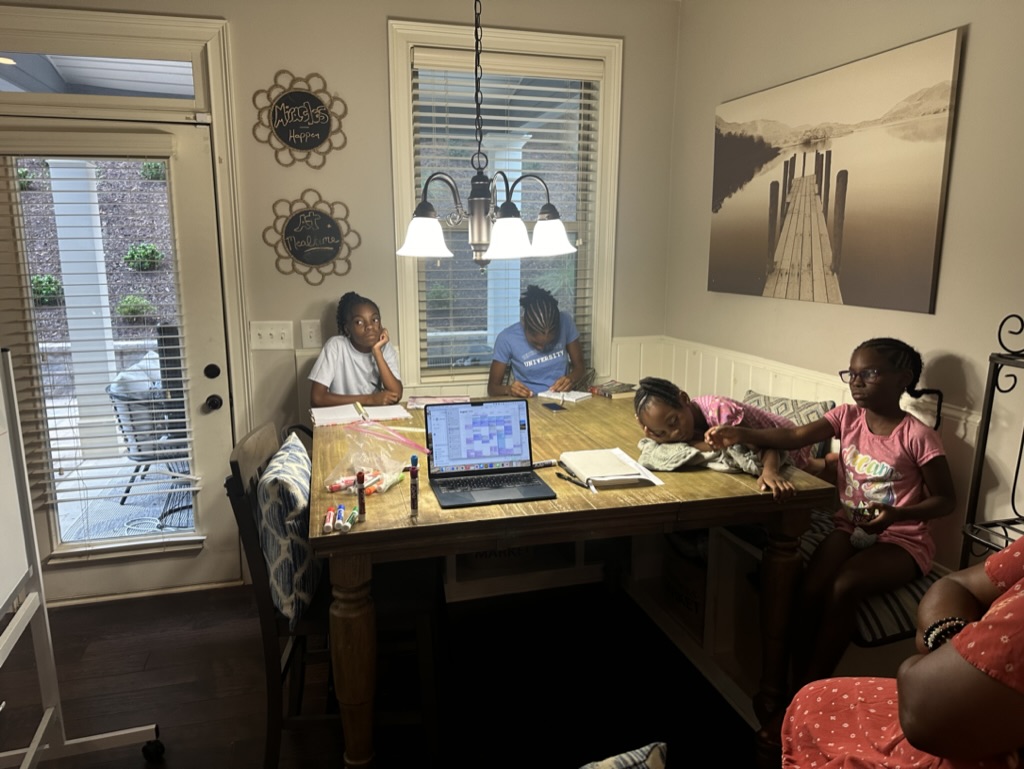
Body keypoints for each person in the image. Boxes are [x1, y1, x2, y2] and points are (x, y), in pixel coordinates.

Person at [706, 337, 957, 685]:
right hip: (849, 527)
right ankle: (792, 681)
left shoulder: (917, 435)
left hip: (902, 540)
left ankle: (812, 685)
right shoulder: (846, 417)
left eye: (869, 373)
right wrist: (739, 433)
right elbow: (794, 435)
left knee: (844, 585)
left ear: (903, 378)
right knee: (809, 588)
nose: (857, 382)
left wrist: (896, 515)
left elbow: (946, 500)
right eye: (851, 374)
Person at [781, 535, 1024, 768]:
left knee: (842, 585)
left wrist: (941, 657)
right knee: (810, 698)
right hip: (937, 702)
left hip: (932, 717)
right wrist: (947, 641)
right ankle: (780, 692)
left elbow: (923, 710)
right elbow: (956, 585)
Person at [632, 376, 814, 500]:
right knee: (812, 466)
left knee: (804, 475)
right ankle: (821, 464)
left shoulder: (720, 412)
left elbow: (765, 444)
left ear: (684, 399)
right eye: (661, 433)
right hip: (777, 445)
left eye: (673, 422)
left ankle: (820, 466)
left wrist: (770, 472)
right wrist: (656, 436)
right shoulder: (683, 426)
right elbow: (706, 445)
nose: (674, 434)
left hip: (789, 442)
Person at [487, 285, 587, 398]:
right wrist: (510, 390)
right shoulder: (507, 338)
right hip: (529, 401)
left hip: (562, 399)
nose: (542, 348)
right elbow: (492, 389)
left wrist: (570, 379)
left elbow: (580, 367)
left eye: (550, 342)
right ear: (524, 324)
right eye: (536, 343)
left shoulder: (565, 322)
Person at [309, 291, 402, 407]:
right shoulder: (336, 346)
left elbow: (396, 394)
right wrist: (370, 399)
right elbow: (317, 398)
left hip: (375, 416)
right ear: (347, 329)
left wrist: (377, 352)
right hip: (343, 415)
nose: (369, 326)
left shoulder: (385, 348)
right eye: (359, 322)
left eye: (375, 320)